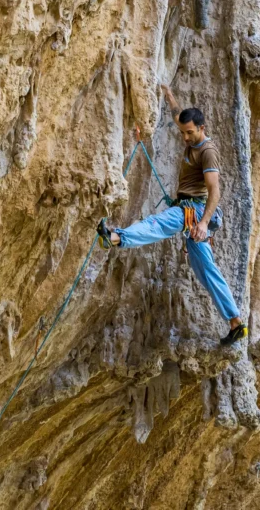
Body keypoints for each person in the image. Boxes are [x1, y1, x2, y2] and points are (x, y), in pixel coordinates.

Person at [97, 85, 246, 345]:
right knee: (206, 271)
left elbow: (215, 191)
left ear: (202, 128)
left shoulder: (208, 152)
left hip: (196, 211)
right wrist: (168, 95)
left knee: (159, 223)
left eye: (189, 133)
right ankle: (236, 324)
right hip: (191, 210)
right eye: (182, 132)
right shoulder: (189, 132)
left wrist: (202, 223)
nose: (185, 138)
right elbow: (178, 114)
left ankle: (116, 237)